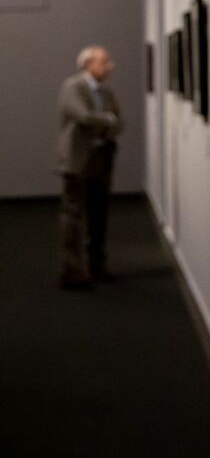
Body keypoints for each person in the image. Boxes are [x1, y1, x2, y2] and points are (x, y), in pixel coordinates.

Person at [57, 46, 123, 289]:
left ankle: (97, 265)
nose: (109, 66)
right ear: (88, 64)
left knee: (99, 213)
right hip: (78, 159)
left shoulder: (106, 92)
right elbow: (83, 117)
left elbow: (120, 121)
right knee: (73, 215)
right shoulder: (72, 87)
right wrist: (107, 120)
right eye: (104, 61)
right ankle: (72, 270)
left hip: (102, 158)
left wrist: (108, 121)